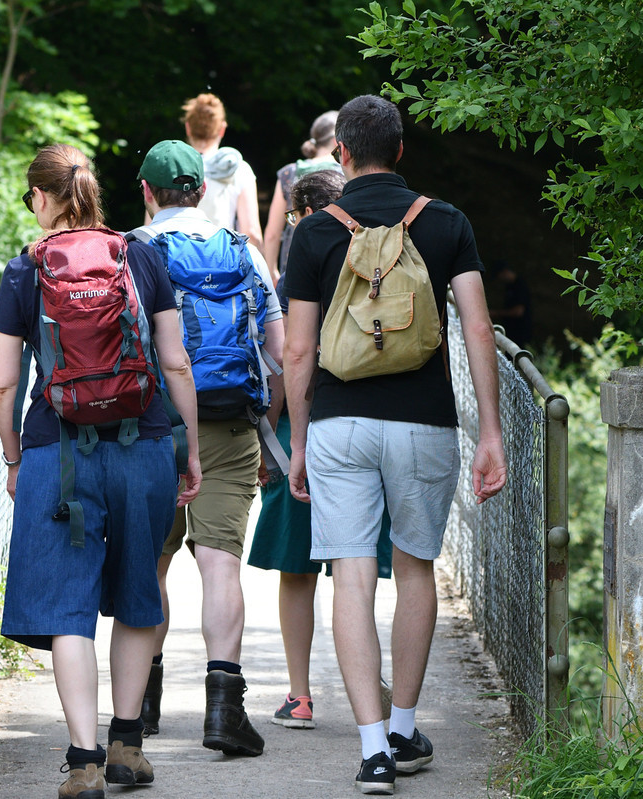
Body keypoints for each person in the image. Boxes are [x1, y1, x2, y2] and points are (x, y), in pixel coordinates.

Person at [282, 95, 507, 795]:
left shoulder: (315, 232)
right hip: (424, 422)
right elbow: (477, 329)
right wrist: (491, 431)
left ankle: (373, 748)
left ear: (341, 153)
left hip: (339, 423)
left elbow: (297, 351)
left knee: (350, 576)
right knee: (414, 571)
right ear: (401, 150)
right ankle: (406, 726)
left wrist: (297, 442)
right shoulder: (445, 222)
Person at [0, 143, 202, 799]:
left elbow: (3, 383)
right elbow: (175, 362)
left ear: (40, 197)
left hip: (56, 451)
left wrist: (14, 458)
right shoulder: (140, 255)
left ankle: (82, 761)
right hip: (143, 445)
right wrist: (189, 450)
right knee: (138, 592)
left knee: (67, 608)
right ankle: (126, 747)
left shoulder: (25, 270)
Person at [133, 139, 284, 757]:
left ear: (147, 192)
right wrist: (267, 428)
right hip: (228, 424)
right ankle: (224, 713)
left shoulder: (131, 251)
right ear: (201, 190)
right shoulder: (242, 251)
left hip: (149, 429)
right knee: (220, 563)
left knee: (151, 563)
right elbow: (278, 351)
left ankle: (140, 706)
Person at [249, 169, 394, 732]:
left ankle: (300, 696)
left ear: (306, 214)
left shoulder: (304, 259)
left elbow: (292, 355)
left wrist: (273, 438)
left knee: (297, 570)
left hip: (307, 428)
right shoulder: (384, 256)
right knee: (357, 570)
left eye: (291, 216)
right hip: (373, 422)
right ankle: (372, 691)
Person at [260, 111, 343, 279]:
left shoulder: (288, 172)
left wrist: (272, 272)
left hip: (293, 263)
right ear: (337, 141)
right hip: (335, 265)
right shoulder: (344, 172)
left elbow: (272, 233)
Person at [182, 93, 264, 246]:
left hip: (177, 256)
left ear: (188, 127)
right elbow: (251, 232)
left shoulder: (172, 168)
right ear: (222, 129)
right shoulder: (239, 169)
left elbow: (151, 226)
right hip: (221, 255)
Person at [487, 258, 534, 345]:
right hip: (512, 331)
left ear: (504, 272)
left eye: (499, 275)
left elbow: (518, 311)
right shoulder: (509, 286)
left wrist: (496, 313)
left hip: (520, 333)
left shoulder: (520, 285)